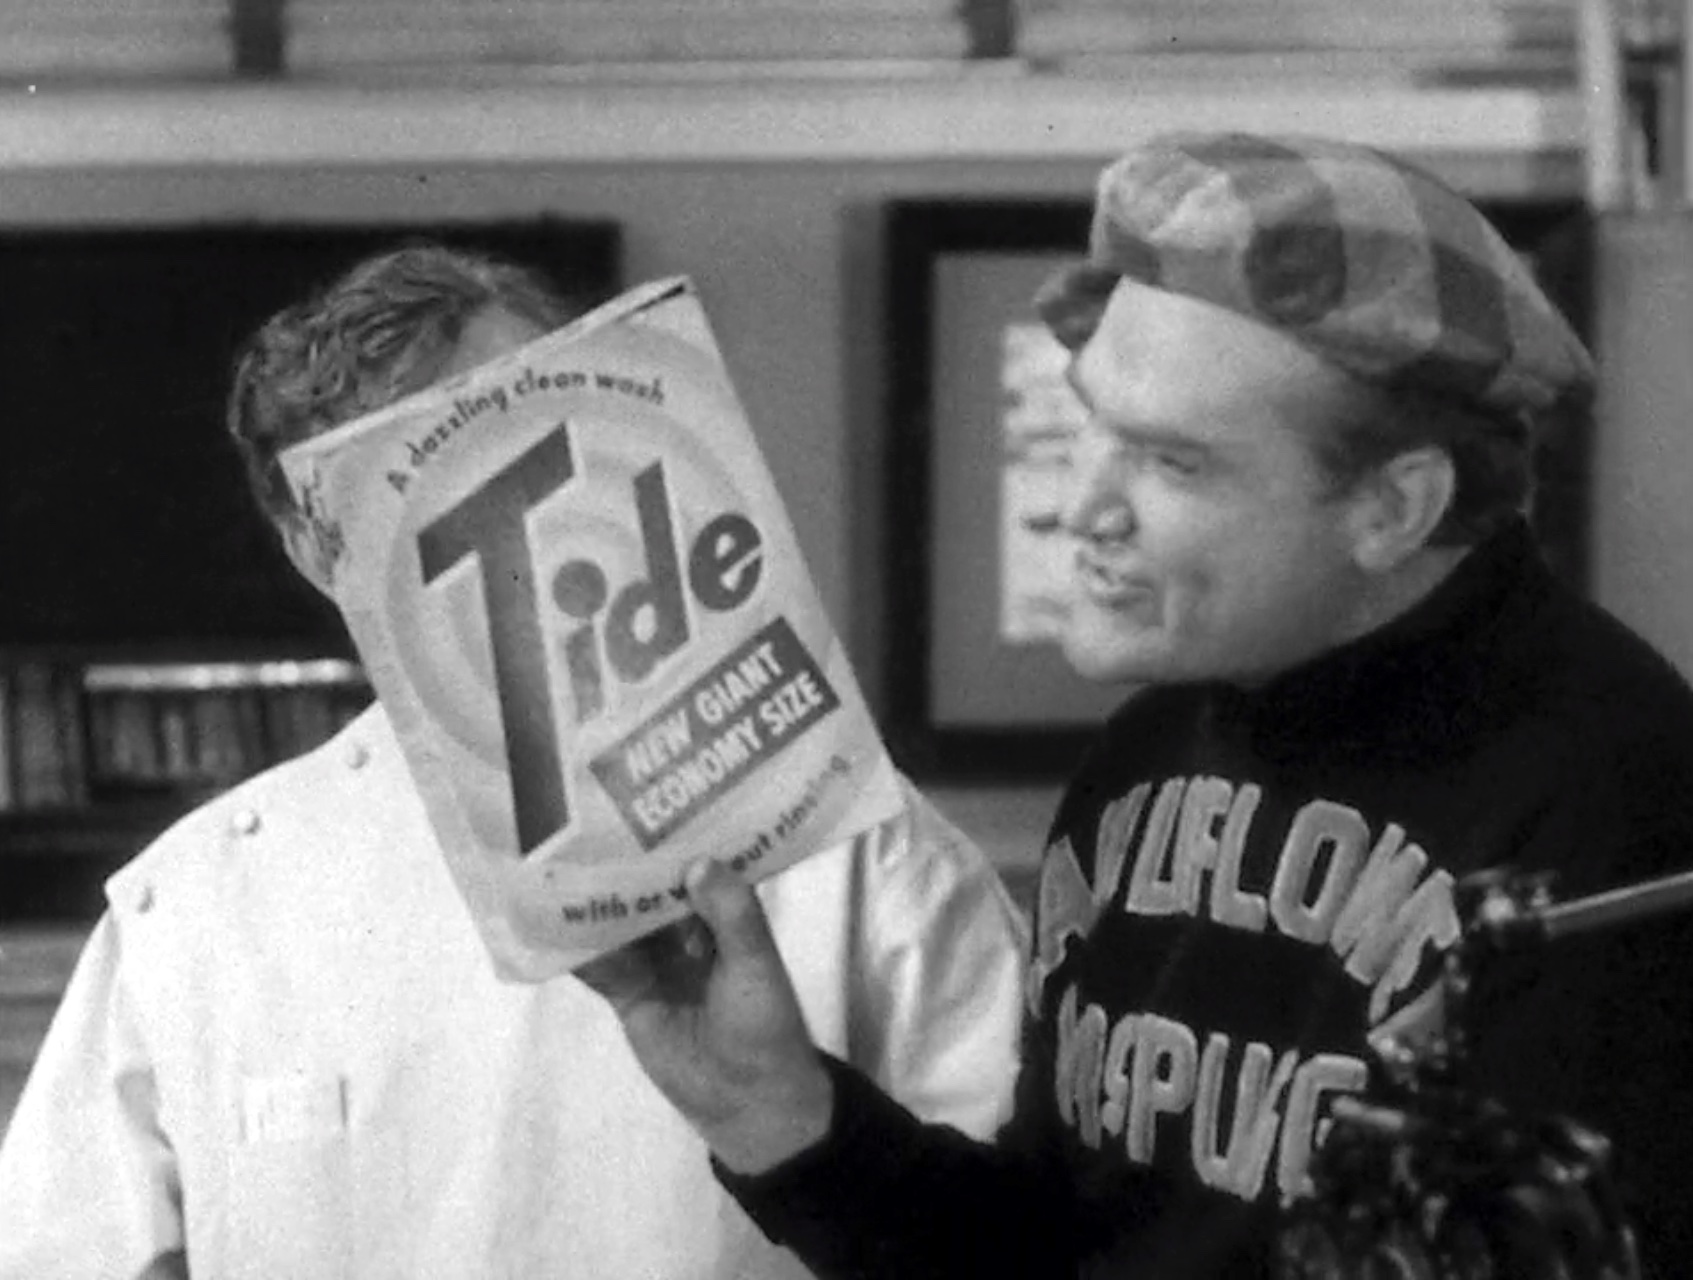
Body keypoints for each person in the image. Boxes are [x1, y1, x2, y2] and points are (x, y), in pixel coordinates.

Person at [584, 132, 1693, 1277]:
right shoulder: (1151, 748)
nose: (1083, 508)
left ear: (1393, 506)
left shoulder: (1616, 800)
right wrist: (773, 1111)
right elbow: (1055, 1251)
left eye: (1172, 462)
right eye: (1091, 426)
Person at [0, 244, 1029, 1279]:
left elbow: (1014, 1241)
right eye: (421, 477)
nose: (520, 510)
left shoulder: (854, 841)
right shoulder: (193, 906)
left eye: (534, 428)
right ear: (314, 549)